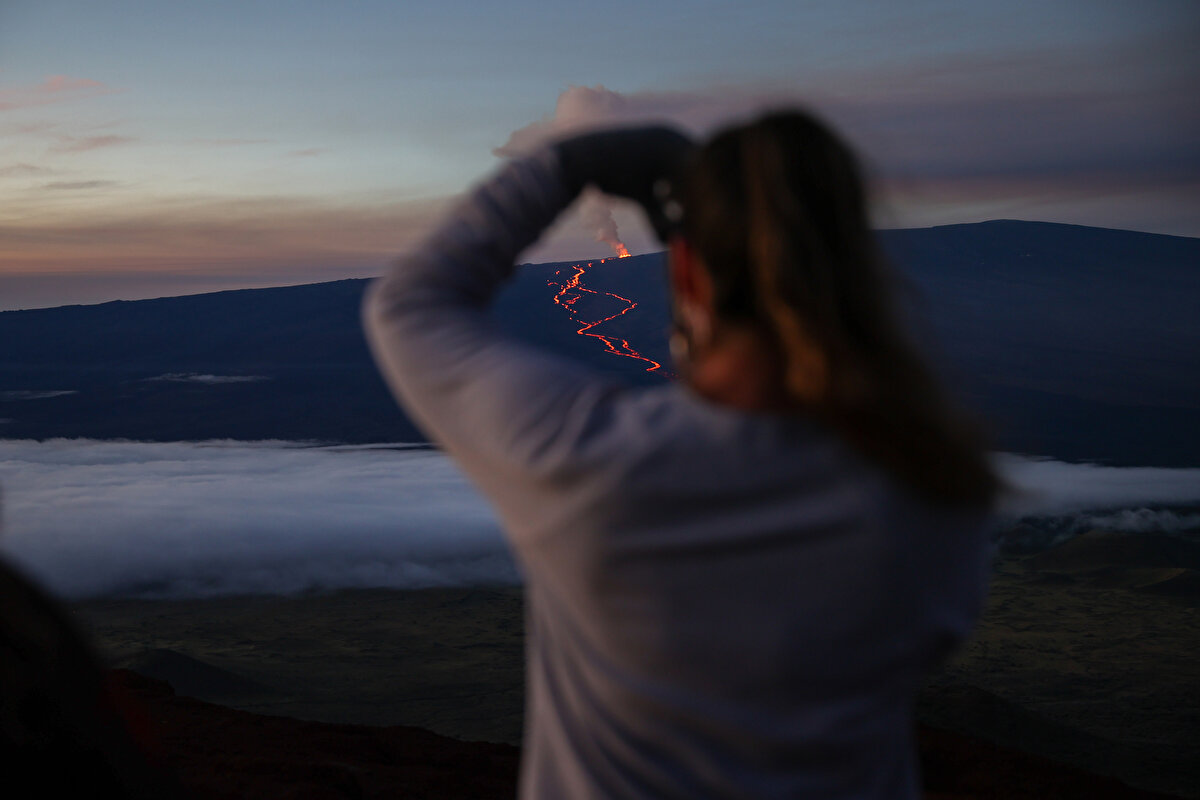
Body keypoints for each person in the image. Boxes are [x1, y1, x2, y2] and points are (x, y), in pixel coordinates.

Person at [363, 110, 1001, 799]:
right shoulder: (942, 489)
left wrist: (567, 166)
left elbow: (409, 305)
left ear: (689, 273)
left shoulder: (587, 459)